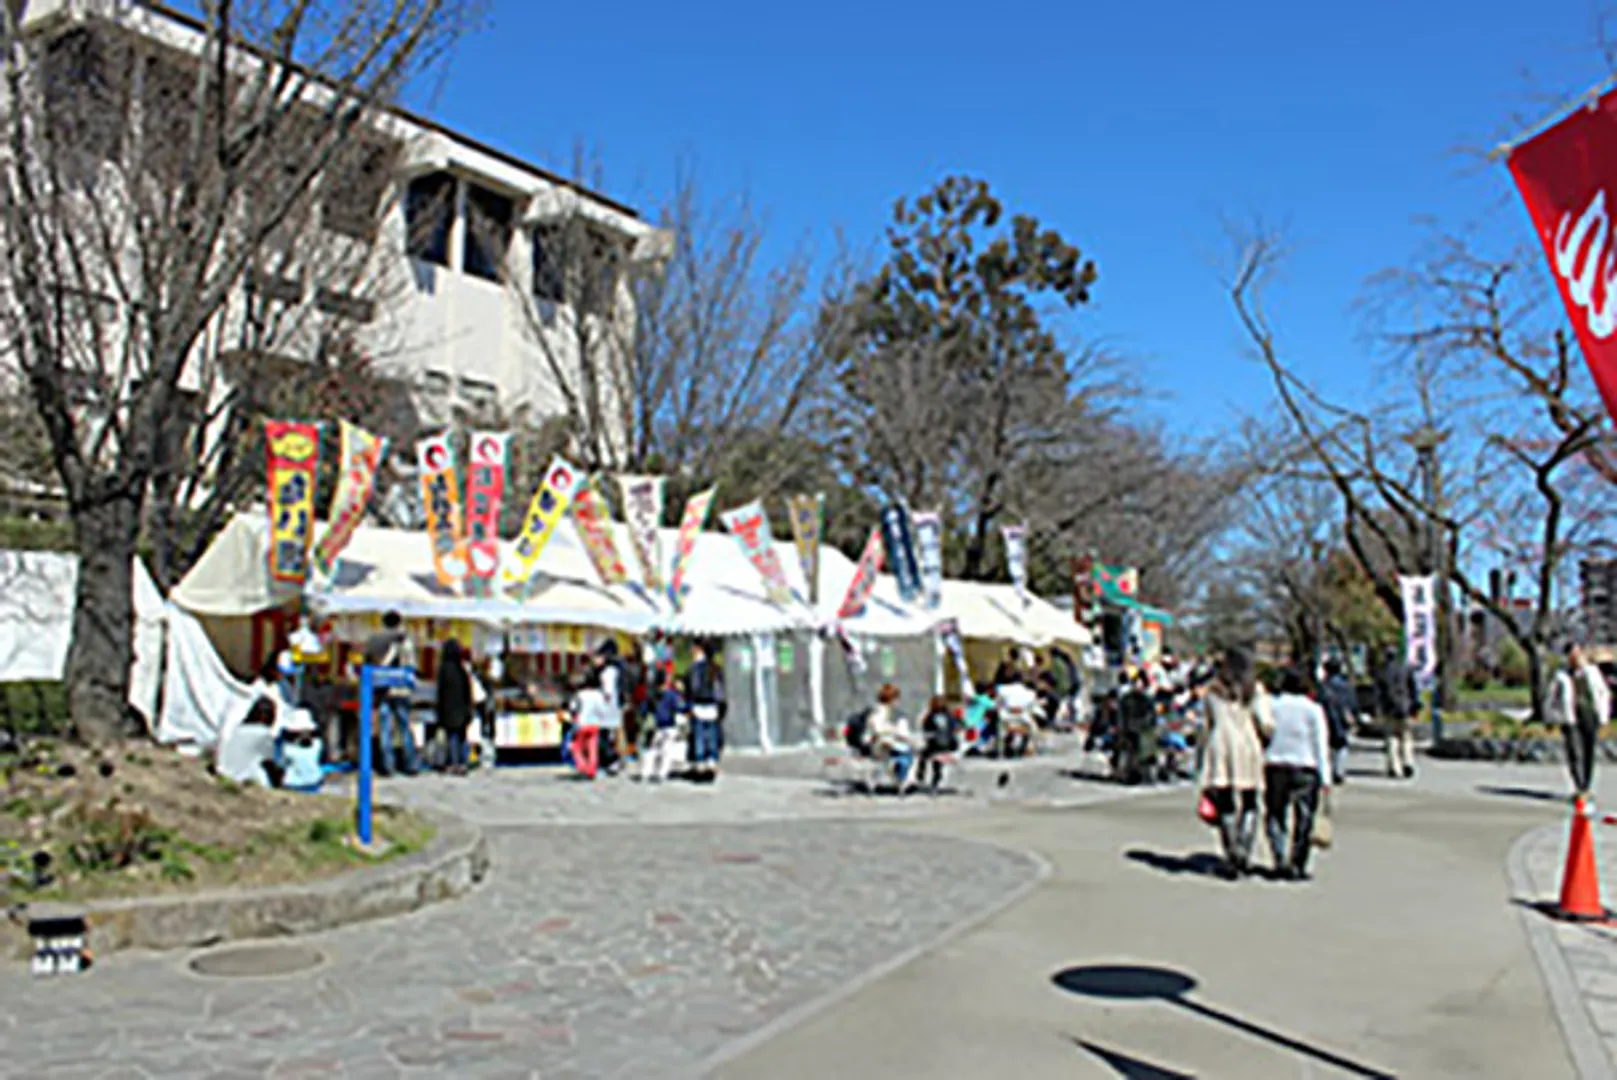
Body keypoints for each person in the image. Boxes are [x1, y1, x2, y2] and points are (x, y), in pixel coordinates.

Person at [1198, 647, 1273, 879]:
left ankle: (1231, 850)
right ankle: (1244, 848)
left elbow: (1206, 723)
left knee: (1225, 802)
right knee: (1250, 801)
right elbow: (1265, 722)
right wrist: (1267, 737)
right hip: (1247, 744)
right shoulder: (1254, 690)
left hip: (1220, 745)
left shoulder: (1213, 690)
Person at [1263, 668, 1333, 881]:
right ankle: (1298, 862)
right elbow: (1320, 743)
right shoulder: (1313, 709)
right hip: (1305, 765)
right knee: (1304, 817)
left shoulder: (1272, 705)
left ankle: (1279, 857)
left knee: (1275, 813)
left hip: (1275, 763)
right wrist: (1326, 777)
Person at [1549, 641, 1612, 797]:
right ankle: (1579, 786)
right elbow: (1553, 698)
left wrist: (1603, 716)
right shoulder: (1561, 676)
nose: (1577, 658)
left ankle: (1586, 786)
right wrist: (1553, 717)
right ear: (1568, 658)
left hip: (1590, 715)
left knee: (1589, 751)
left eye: (1578, 654)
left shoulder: (1592, 672)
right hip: (1570, 718)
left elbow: (1603, 693)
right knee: (1574, 752)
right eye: (1573, 655)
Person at [362, 611, 420, 777]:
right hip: (401, 689)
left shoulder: (374, 640)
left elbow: (367, 662)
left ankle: (388, 765)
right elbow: (412, 666)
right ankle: (410, 764)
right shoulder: (405, 641)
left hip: (381, 689)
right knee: (404, 727)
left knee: (385, 729)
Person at [1375, 646, 1419, 780]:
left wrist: (1378, 709)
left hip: (1389, 709)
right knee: (1406, 737)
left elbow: (1378, 693)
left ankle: (1394, 767)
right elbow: (1413, 689)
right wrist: (1414, 707)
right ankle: (1408, 762)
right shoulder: (1406, 669)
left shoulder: (1381, 671)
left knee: (1391, 738)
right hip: (1405, 707)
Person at [435, 638, 475, 777]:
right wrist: (469, 708)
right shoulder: (462, 669)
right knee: (462, 737)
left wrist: (439, 710)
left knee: (452, 737)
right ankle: (463, 762)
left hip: (448, 709)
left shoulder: (444, 669)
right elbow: (468, 690)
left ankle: (454, 763)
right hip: (462, 709)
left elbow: (440, 692)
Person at [687, 642, 725, 782]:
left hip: (699, 705)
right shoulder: (715, 668)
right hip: (712, 705)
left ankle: (700, 761)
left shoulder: (695, 668)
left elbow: (693, 687)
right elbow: (720, 689)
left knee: (699, 736)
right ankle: (712, 760)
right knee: (712, 735)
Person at [868, 683, 917, 790]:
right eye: (897, 698)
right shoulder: (880, 711)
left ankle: (900, 777)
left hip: (888, 743)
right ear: (891, 699)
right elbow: (878, 729)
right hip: (882, 744)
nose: (898, 702)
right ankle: (902, 779)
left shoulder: (887, 711)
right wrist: (895, 731)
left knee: (906, 752)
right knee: (907, 753)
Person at [640, 670, 686, 783]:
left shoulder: (651, 694)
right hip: (669, 725)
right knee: (667, 751)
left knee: (652, 750)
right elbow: (680, 708)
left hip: (657, 726)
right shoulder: (671, 694)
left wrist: (646, 716)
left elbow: (644, 710)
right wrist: (686, 700)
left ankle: (646, 772)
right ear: (665, 681)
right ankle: (662, 773)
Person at [1319, 658, 1357, 784]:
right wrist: (1354, 716)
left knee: (1326, 745)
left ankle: (1327, 771)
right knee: (1341, 745)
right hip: (1342, 718)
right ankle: (1339, 771)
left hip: (1325, 718)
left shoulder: (1323, 686)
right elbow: (1353, 703)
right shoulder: (1346, 685)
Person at [994, 670, 1040, 758]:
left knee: (999, 727)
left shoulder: (1002, 690)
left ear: (1011, 679)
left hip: (1007, 717)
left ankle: (1000, 752)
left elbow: (997, 705)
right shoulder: (1030, 693)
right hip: (1022, 719)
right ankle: (1030, 747)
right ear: (1022, 680)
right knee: (1034, 728)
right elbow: (1032, 708)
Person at [919, 695, 961, 792]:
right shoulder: (950, 715)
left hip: (936, 746)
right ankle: (935, 779)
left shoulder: (930, 716)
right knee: (935, 756)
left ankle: (921, 774)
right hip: (951, 745)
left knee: (924, 753)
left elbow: (926, 731)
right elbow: (956, 728)